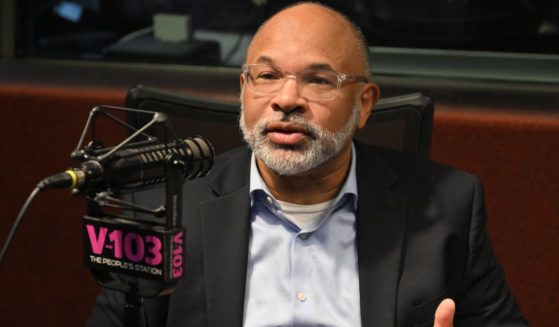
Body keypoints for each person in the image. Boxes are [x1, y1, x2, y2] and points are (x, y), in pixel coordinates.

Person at [88, 2, 527, 326]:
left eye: (318, 80)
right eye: (267, 76)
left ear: (364, 104)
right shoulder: (160, 210)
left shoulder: (448, 207)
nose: (286, 99)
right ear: (244, 88)